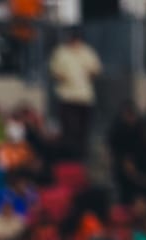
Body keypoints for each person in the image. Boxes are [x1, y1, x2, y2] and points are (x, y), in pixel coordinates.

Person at [48, 28, 101, 159]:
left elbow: (95, 69)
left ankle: (82, 157)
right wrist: (65, 78)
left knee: (83, 131)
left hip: (84, 97)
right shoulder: (61, 52)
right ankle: (70, 157)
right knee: (69, 130)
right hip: (67, 97)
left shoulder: (87, 51)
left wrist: (88, 76)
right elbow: (55, 71)